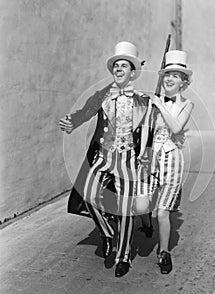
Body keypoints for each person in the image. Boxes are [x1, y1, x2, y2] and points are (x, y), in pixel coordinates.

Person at [59, 41, 151, 278]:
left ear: (132, 71)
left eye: (124, 66)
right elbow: (84, 112)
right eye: (116, 66)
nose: (119, 69)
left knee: (126, 209)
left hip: (129, 160)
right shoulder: (102, 95)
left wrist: (148, 158)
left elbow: (150, 134)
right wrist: (72, 123)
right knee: (87, 194)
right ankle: (108, 232)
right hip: (103, 155)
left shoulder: (143, 101)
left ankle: (123, 256)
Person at [136, 50, 194, 274]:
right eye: (167, 74)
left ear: (183, 82)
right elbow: (145, 131)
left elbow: (176, 128)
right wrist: (142, 152)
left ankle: (164, 252)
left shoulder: (186, 105)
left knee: (162, 212)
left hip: (171, 159)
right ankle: (146, 224)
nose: (169, 79)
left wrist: (159, 104)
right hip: (150, 157)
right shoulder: (153, 103)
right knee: (140, 206)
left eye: (176, 76)